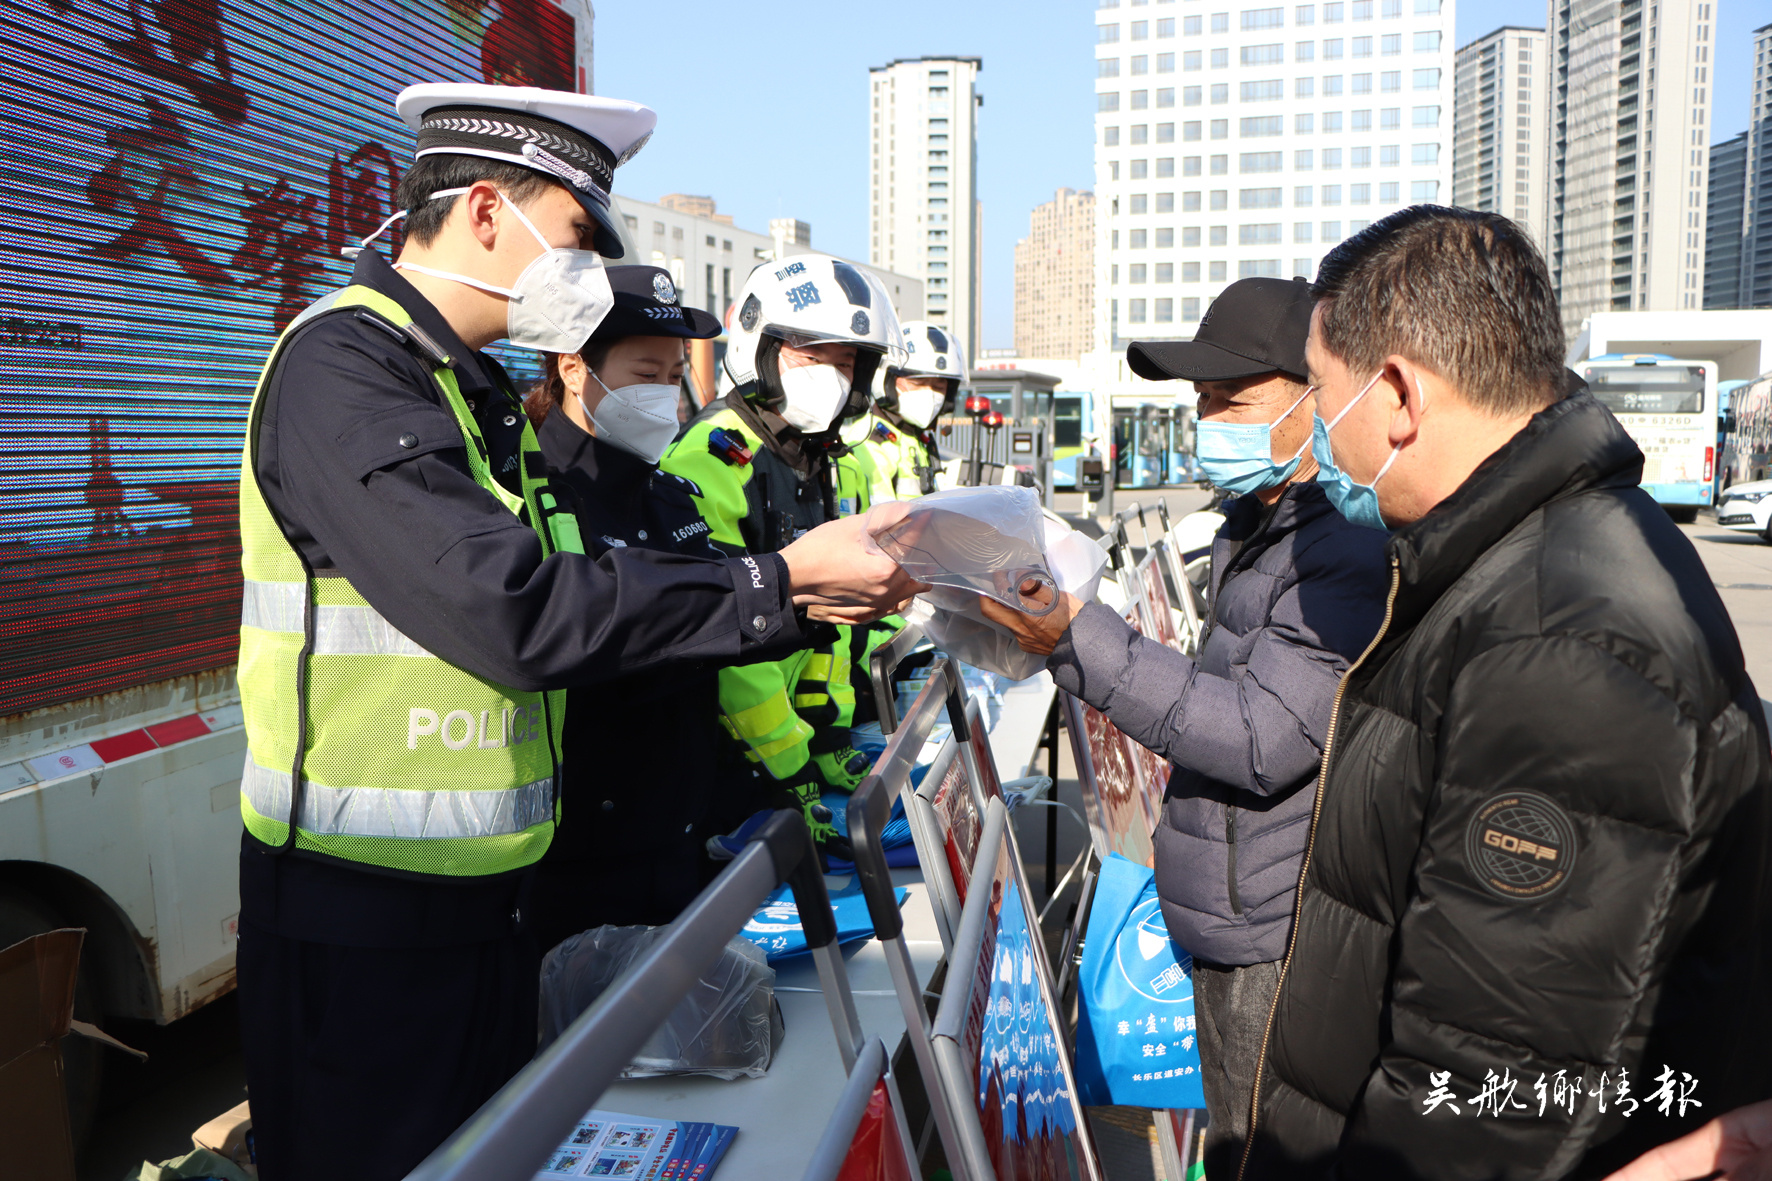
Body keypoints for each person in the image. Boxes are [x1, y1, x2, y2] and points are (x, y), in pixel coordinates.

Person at [234, 84, 918, 1181]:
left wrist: (792, 600)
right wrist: (779, 573)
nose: (588, 273)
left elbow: (600, 585)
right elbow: (512, 608)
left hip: (480, 909)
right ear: (488, 212)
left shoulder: (459, 389)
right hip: (363, 925)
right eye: (575, 236)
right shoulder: (345, 370)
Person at [1233, 205, 1768, 1177]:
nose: (1311, 426)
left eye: (1318, 391)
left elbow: (1489, 1080)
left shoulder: (1555, 633)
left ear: (1395, 393)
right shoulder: (1510, 565)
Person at [977, 276, 1390, 1176]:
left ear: (1318, 394)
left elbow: (1257, 735)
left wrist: (1077, 633)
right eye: (1201, 400)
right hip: (1233, 906)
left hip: (1271, 928)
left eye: (1231, 399)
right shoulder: (1266, 517)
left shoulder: (1344, 545)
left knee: (1260, 1150)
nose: (1209, 420)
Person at [520, 264, 736, 951]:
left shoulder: (669, 494)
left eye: (675, 378)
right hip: (575, 870)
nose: (666, 398)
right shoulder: (530, 491)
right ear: (574, 367)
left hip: (678, 845)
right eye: (647, 373)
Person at [660, 255, 901, 860]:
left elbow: (835, 624)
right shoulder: (711, 459)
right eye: (812, 355)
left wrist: (830, 735)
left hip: (802, 749)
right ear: (760, 348)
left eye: (846, 363)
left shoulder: (821, 458)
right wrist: (790, 771)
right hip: (738, 766)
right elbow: (730, 638)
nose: (832, 375)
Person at [842, 319, 965, 502]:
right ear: (887, 381)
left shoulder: (917, 440)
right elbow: (882, 520)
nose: (930, 393)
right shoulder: (869, 440)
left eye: (939, 387)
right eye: (918, 383)